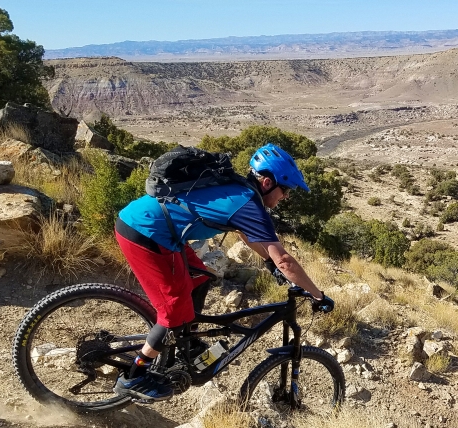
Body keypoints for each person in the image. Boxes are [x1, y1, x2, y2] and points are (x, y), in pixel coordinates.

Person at [113, 143, 334, 401]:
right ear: (266, 182)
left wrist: (268, 262)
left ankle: (188, 341)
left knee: (201, 277)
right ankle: (134, 376)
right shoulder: (247, 202)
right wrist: (318, 295)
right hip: (145, 232)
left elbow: (245, 234)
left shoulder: (242, 191)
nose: (285, 196)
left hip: (162, 232)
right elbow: (285, 260)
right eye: (285, 189)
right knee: (174, 311)